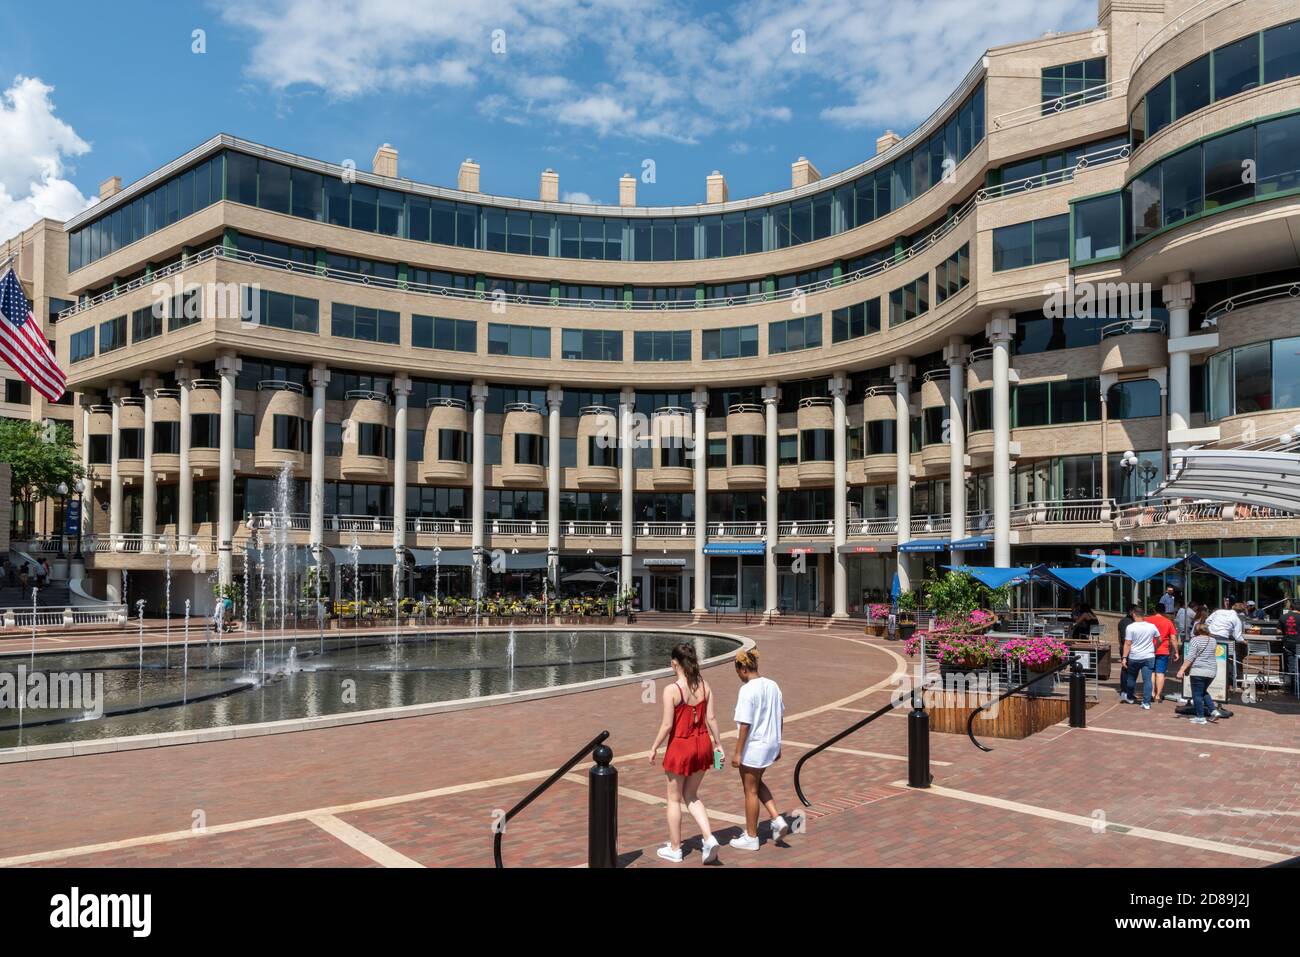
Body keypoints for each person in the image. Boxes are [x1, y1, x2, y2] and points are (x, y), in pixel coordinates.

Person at [648, 642, 724, 864]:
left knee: (674, 799)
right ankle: (709, 838)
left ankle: (675, 848)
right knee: (692, 796)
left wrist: (653, 747)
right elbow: (711, 718)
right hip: (702, 745)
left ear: (674, 663)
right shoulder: (704, 685)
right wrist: (718, 744)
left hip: (681, 747)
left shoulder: (672, 690)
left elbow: (667, 725)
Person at [729, 648, 789, 850]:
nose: (738, 676)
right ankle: (776, 819)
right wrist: (778, 743)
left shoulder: (747, 690)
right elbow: (780, 716)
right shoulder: (773, 685)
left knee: (750, 790)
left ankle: (751, 836)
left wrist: (738, 752)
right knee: (757, 781)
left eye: (737, 671)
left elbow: (744, 724)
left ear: (743, 669)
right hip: (770, 743)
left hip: (753, 746)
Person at [1177, 622, 1219, 725]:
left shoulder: (1195, 640)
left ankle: (1200, 717)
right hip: (1212, 670)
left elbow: (1190, 657)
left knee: (1197, 695)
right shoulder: (1213, 640)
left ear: (1196, 630)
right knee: (1203, 691)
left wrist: (1182, 669)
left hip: (1199, 670)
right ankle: (1213, 711)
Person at [1119, 605, 1159, 709]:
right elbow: (1159, 639)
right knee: (1147, 680)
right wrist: (1154, 647)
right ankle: (1146, 703)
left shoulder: (1131, 627)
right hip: (1149, 656)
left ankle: (1130, 697)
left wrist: (1124, 658)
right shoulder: (1152, 626)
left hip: (1134, 656)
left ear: (1134, 615)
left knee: (1131, 678)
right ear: (1143, 615)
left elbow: (1127, 643)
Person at [1145, 604, 1181, 703]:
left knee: (1151, 672)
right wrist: (1176, 651)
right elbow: (1173, 638)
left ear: (1154, 610)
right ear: (1164, 611)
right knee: (1160, 673)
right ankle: (1157, 695)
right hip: (1163, 650)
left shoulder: (1146, 620)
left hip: (1149, 650)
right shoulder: (1168, 622)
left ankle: (1151, 693)